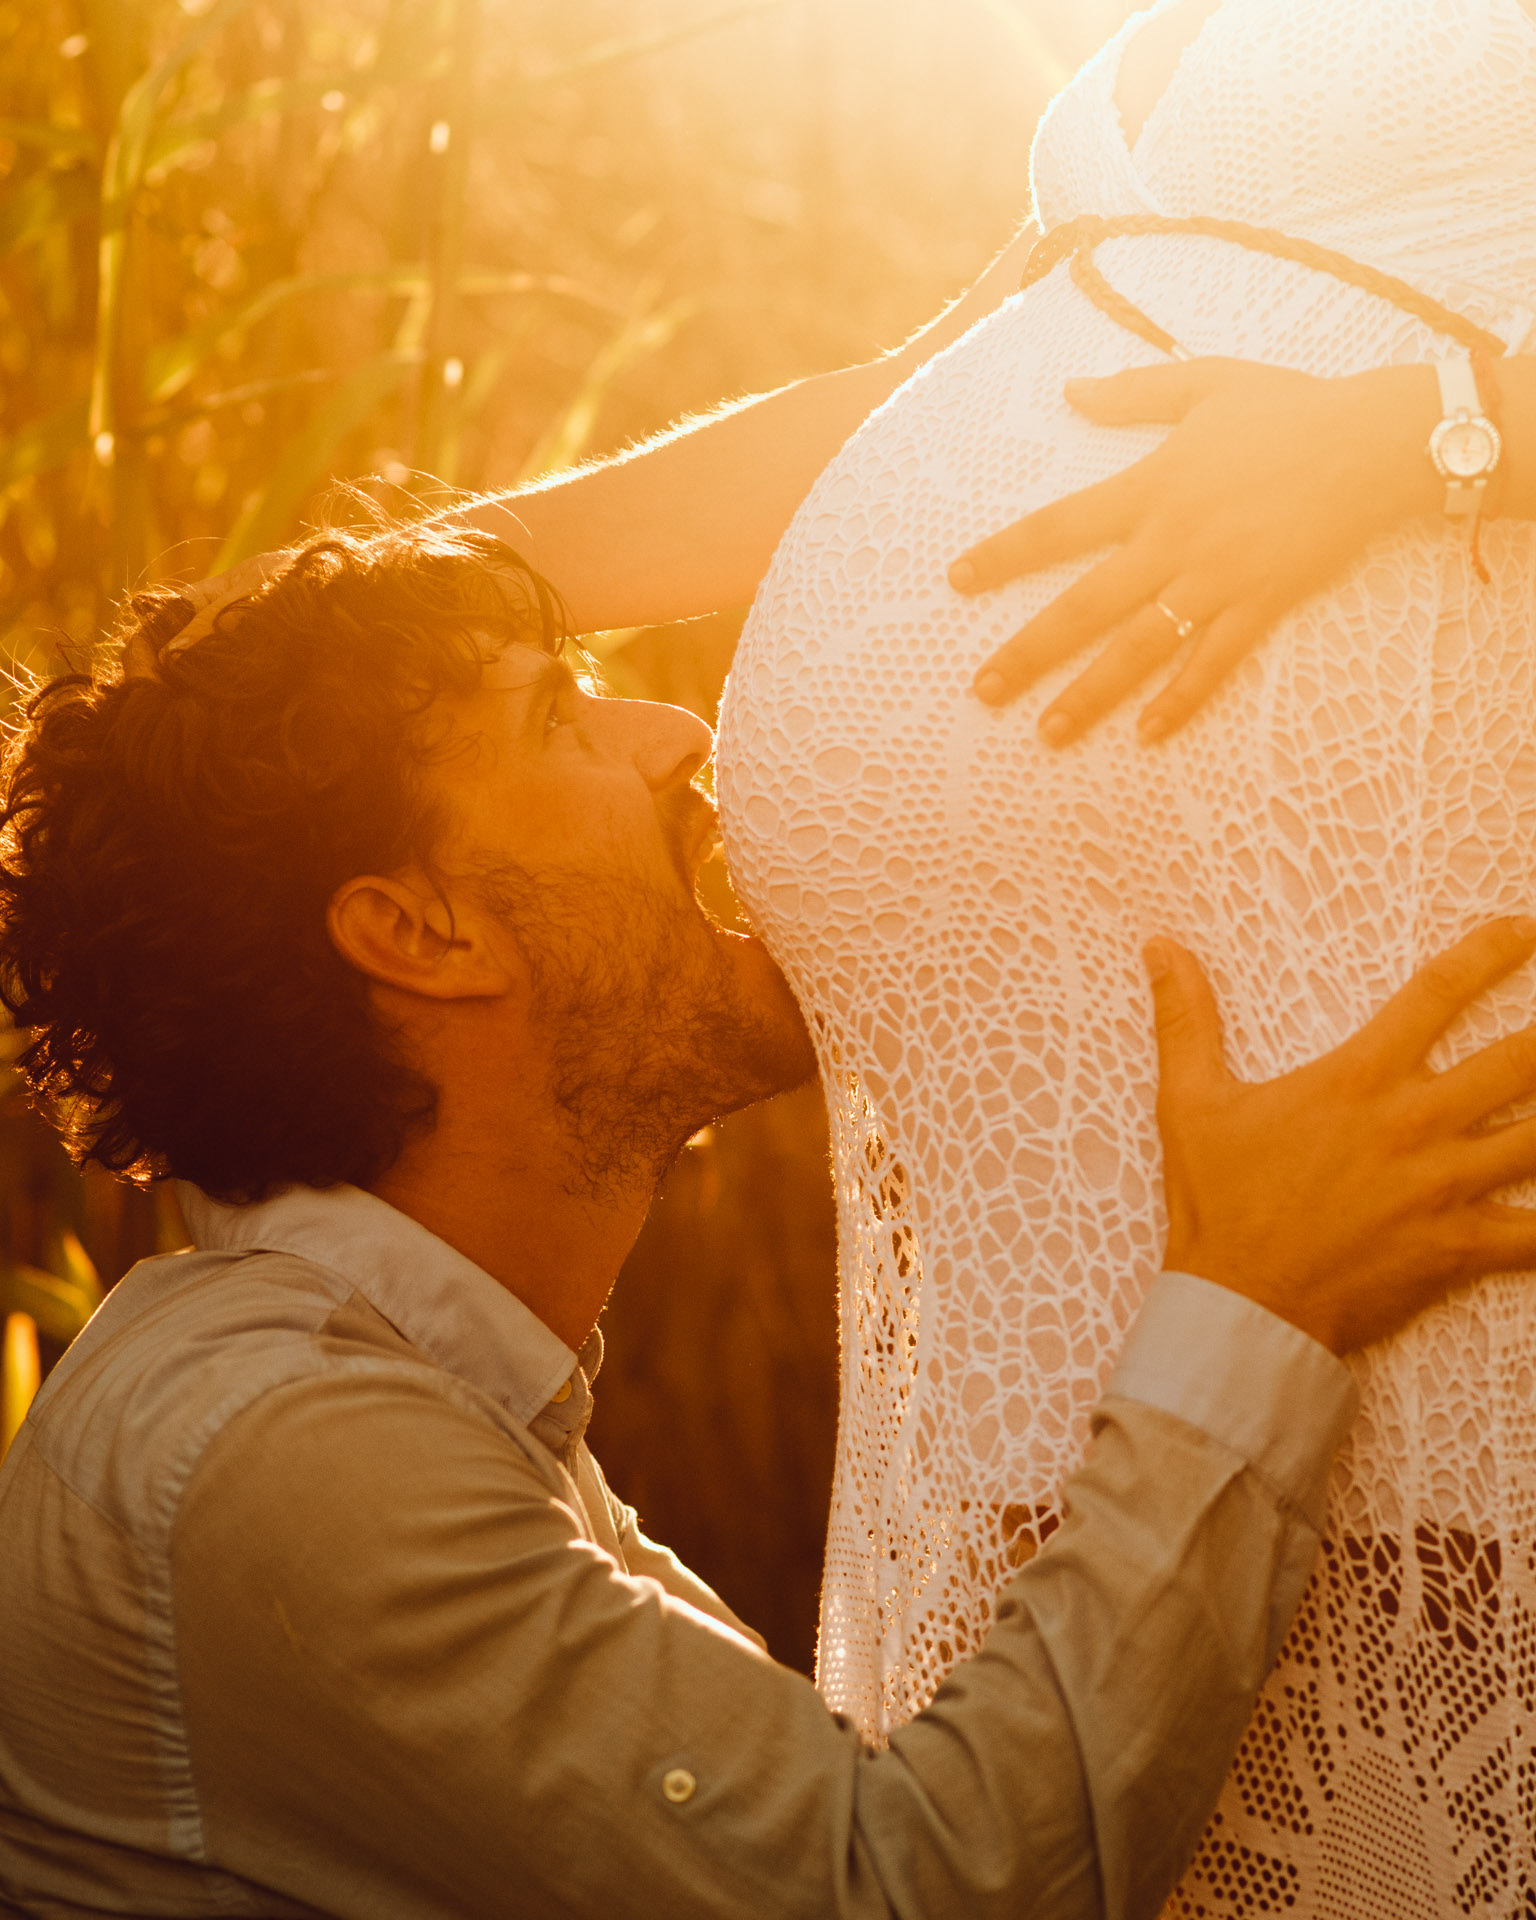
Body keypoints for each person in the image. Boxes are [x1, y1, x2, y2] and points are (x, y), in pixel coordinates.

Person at [5, 522, 1536, 1920]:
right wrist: (1256, 1306)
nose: (674, 733)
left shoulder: (412, 1397)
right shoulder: (275, 1447)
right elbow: (917, 1887)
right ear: (419, 934)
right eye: (557, 715)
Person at [437, 1, 1536, 1909]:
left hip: (1417, 1110)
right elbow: (891, 410)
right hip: (1074, 1310)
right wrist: (367, 599)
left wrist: (1429, 437)